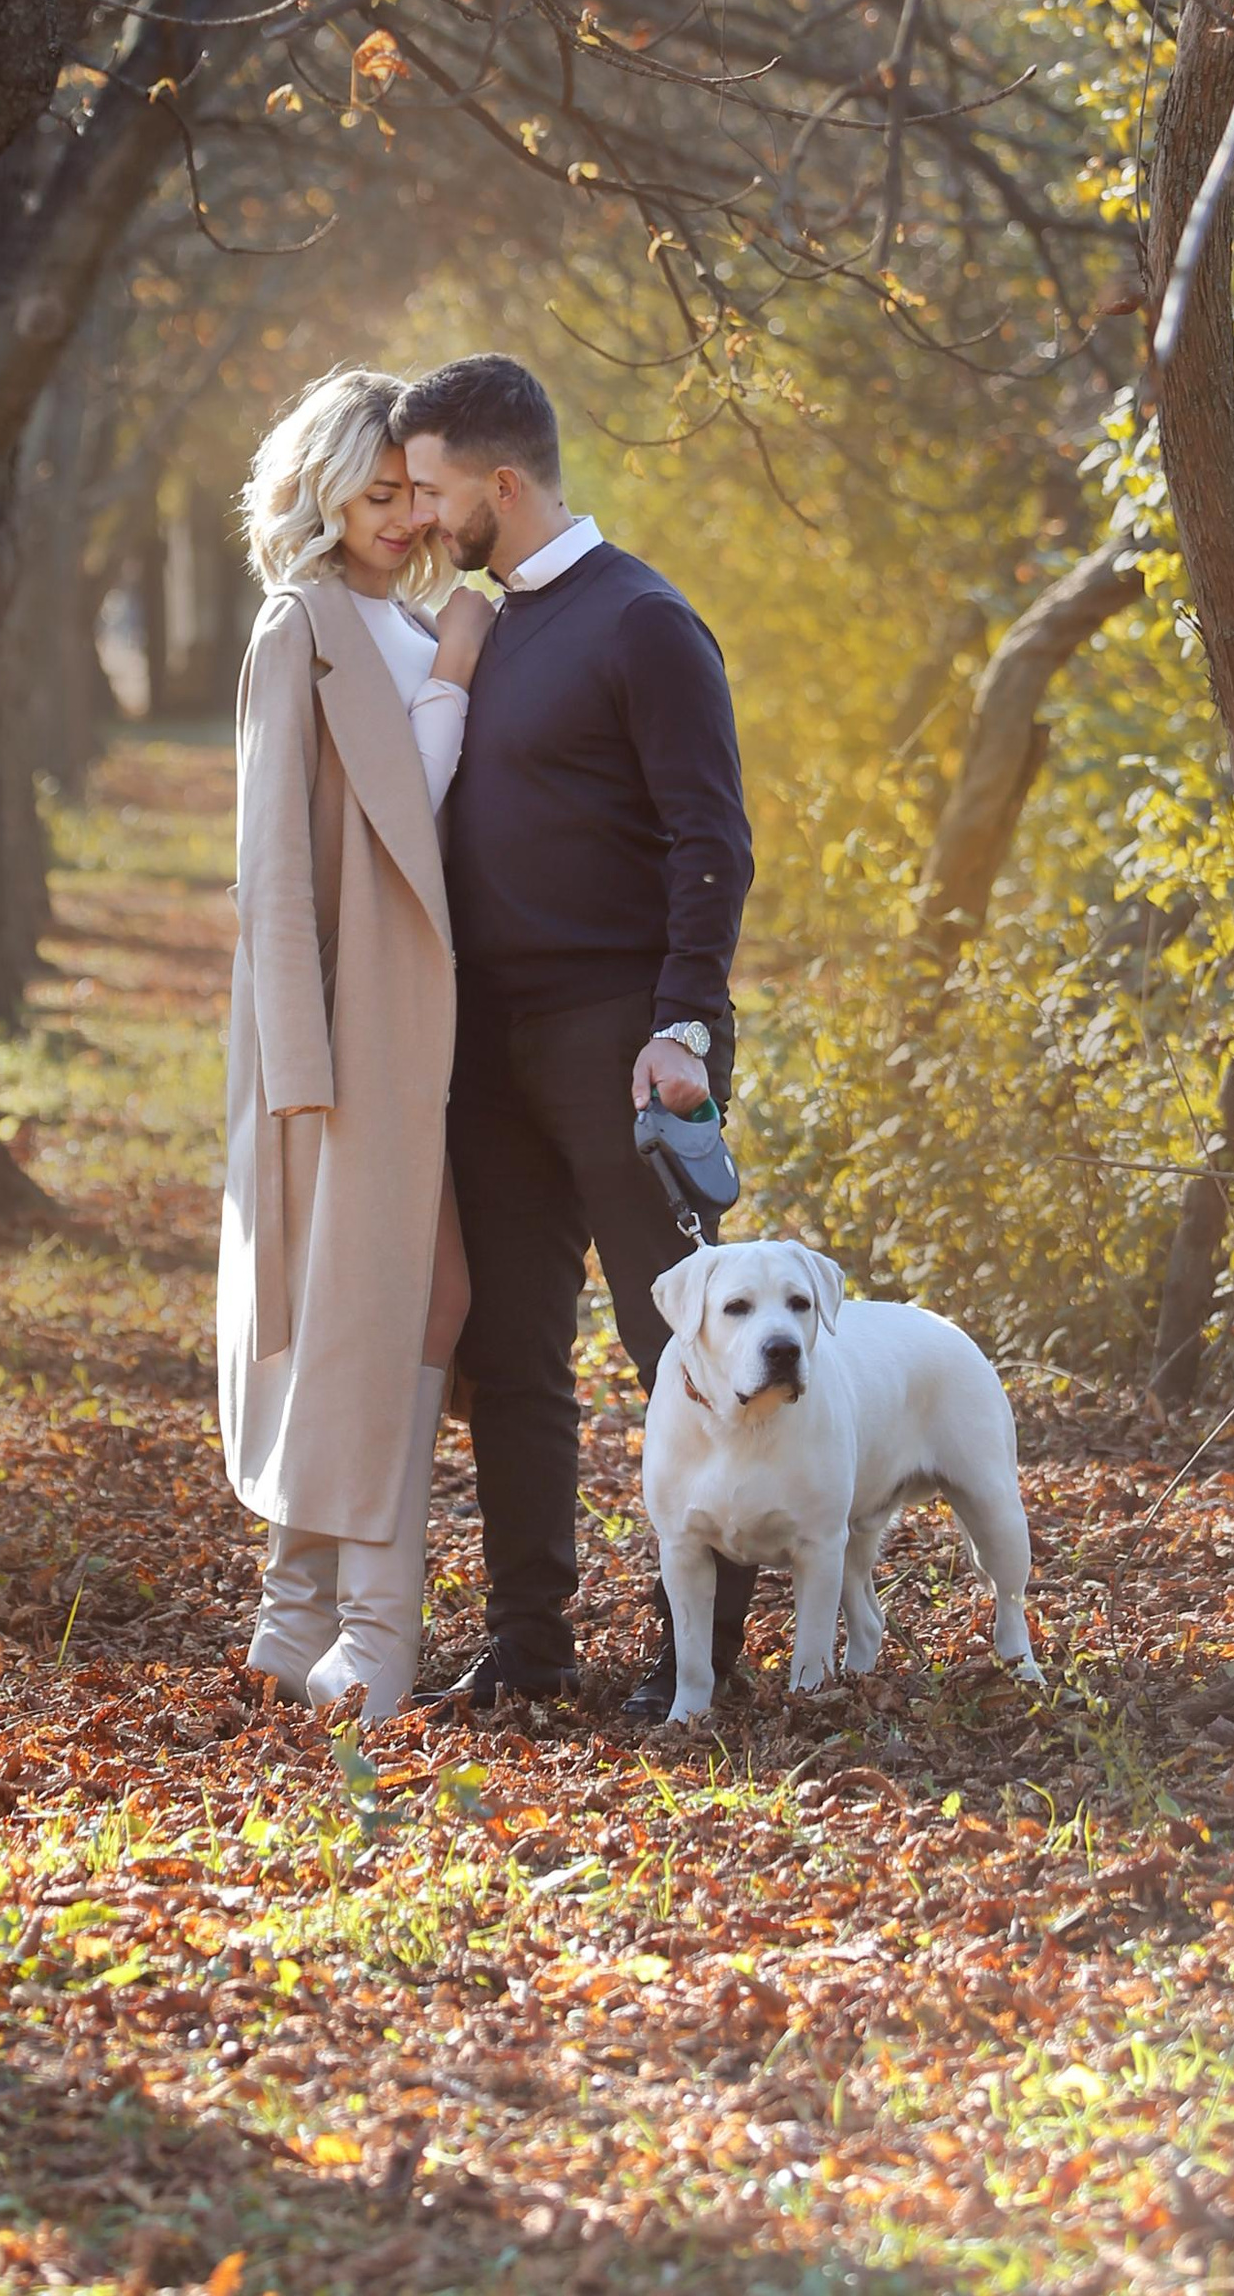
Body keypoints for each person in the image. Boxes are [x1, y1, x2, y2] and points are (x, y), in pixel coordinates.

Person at [392, 351, 759, 1718]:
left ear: (501, 480)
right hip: (489, 1046)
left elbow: (709, 838)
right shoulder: (490, 628)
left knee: (675, 1346)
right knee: (512, 1349)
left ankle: (699, 1652)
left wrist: (683, 1028)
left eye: (431, 490)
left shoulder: (642, 621)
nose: (420, 517)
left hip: (620, 1039)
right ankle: (529, 1642)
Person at [217, 364, 490, 1720]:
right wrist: (297, 1067)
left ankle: (302, 1626)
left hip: (425, 1020)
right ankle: (369, 1639)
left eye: (409, 492)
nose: (396, 514)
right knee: (396, 1306)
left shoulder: (408, 615)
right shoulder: (303, 622)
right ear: (325, 490)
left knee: (383, 1309)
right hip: (347, 1026)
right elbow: (275, 859)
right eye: (373, 492)